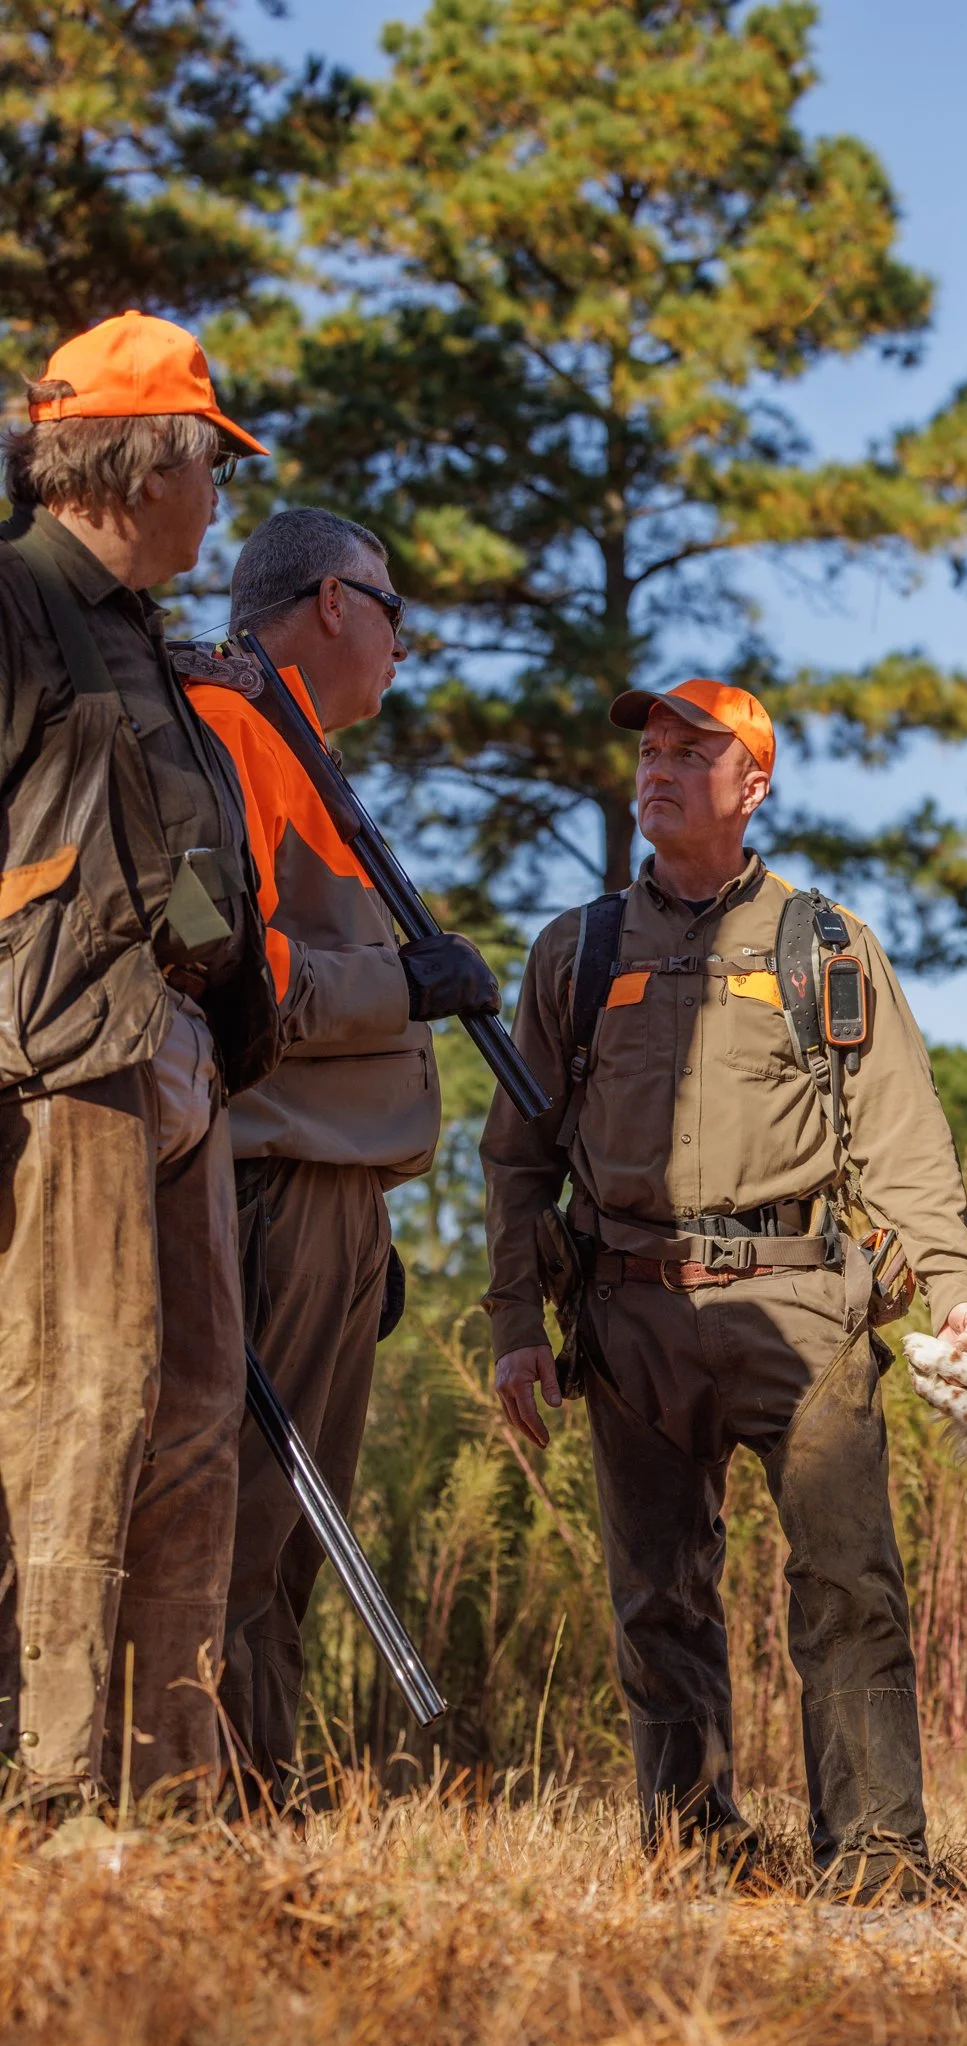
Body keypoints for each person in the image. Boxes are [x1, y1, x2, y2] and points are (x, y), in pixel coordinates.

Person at [481, 678, 967, 1899]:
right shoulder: (578, 950)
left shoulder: (823, 946)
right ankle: (690, 1843)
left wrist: (953, 1284)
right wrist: (513, 1323)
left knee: (847, 1586)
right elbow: (515, 1154)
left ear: (752, 785)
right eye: (647, 751)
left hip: (800, 1310)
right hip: (628, 1314)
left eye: (688, 752)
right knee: (656, 1597)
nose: (653, 768)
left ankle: (873, 1855)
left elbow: (899, 1133)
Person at [0, 309, 280, 1814]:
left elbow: (173, 864)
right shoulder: (11, 603)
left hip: (175, 1061)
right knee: (77, 1410)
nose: (220, 496)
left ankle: (163, 1799)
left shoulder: (142, 650)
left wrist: (232, 986)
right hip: (61, 1061)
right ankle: (52, 1781)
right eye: (212, 465)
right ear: (145, 462)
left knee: (189, 1426)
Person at [179, 507, 500, 1797]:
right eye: (392, 612)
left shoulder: (291, 748)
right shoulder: (232, 732)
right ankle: (223, 1800)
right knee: (254, 1517)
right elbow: (226, 978)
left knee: (291, 1529)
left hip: (321, 1190)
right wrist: (401, 984)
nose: (402, 647)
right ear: (326, 603)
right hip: (269, 1179)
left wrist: (362, 1220)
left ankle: (246, 1781)